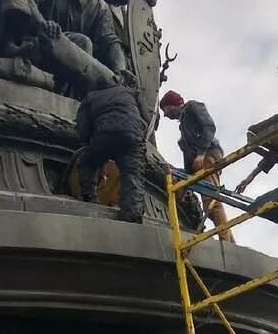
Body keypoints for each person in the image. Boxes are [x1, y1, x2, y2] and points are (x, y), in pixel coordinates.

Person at [159, 90, 235, 243]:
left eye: (165, 109)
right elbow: (188, 159)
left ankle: (226, 243)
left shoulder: (193, 107)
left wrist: (201, 153)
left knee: (211, 202)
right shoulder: (183, 127)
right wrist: (185, 184)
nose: (166, 115)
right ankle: (229, 241)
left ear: (172, 104)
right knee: (210, 206)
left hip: (208, 156)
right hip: (200, 161)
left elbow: (209, 127)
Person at [76, 70, 146, 224]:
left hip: (104, 137)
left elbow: (82, 129)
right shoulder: (129, 92)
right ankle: (132, 215)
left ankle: (90, 199)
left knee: (87, 162)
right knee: (133, 174)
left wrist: (89, 143)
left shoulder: (90, 97)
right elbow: (145, 116)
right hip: (131, 137)